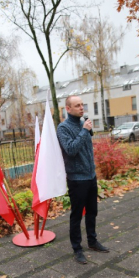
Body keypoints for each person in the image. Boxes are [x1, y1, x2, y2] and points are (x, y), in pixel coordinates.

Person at [57, 95, 109, 264]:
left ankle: (92, 242)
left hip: (90, 176)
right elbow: (71, 149)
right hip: (76, 179)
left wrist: (85, 129)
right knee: (77, 215)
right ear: (68, 108)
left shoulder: (82, 123)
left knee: (92, 212)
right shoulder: (63, 128)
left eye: (82, 105)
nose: (82, 108)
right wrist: (84, 131)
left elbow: (86, 148)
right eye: (77, 105)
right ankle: (77, 249)